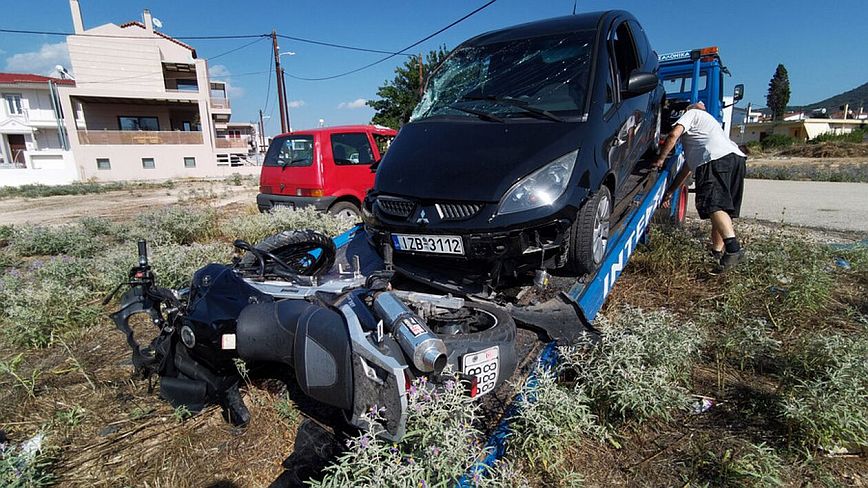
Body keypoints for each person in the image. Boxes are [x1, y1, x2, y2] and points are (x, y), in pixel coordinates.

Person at [653, 101, 747, 269]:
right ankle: (717, 253)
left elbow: (673, 135)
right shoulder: (703, 135)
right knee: (722, 211)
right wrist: (670, 191)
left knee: (713, 204)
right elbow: (686, 170)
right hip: (736, 159)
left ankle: (733, 249)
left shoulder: (693, 114)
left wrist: (660, 160)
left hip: (715, 159)